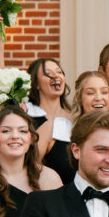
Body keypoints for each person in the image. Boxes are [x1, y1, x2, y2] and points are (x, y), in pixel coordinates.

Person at [25, 56, 74, 184]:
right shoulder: (26, 115)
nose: (56, 76)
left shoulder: (75, 118)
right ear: (36, 84)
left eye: (59, 72)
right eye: (48, 74)